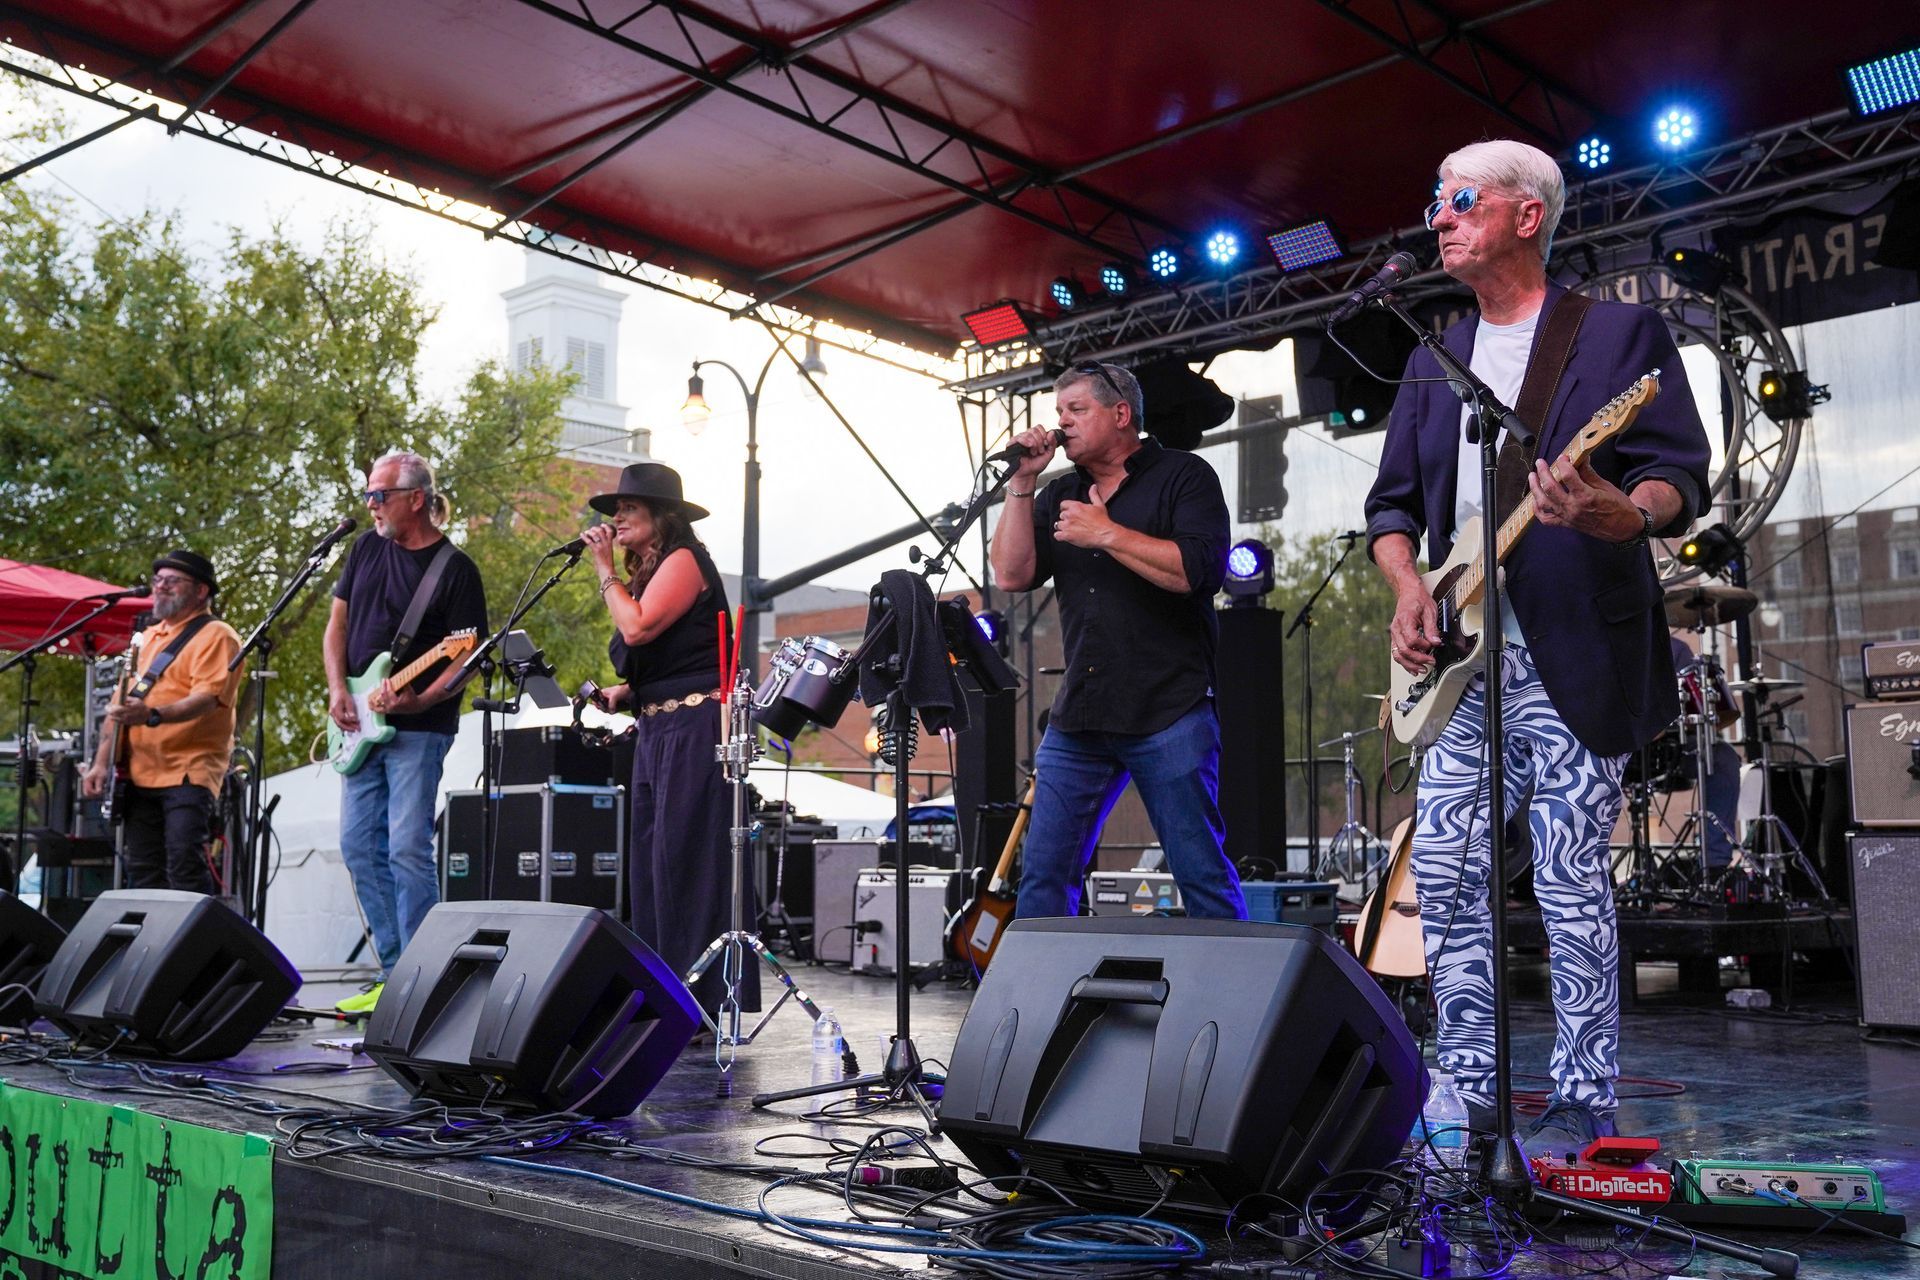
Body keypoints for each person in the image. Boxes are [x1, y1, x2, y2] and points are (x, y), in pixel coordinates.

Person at [1364, 139, 1711, 1147]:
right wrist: (1408, 589)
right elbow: (1391, 508)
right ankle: (1467, 1084)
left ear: (1526, 216)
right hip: (1461, 664)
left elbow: (1677, 474)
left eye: (1461, 199)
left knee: (1567, 872)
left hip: (1574, 650)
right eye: (1437, 198)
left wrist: (1625, 514)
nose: (1439, 216)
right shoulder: (1433, 359)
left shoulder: (1617, 334)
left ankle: (1583, 1093)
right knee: (1446, 870)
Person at [989, 361, 1246, 923]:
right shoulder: (1061, 492)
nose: (1063, 423)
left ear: (1121, 414)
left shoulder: (1184, 475)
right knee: (1044, 874)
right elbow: (1010, 574)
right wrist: (1022, 484)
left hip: (1168, 709)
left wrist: (1105, 533)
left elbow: (1197, 572)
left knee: (1200, 873)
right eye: (1059, 411)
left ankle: (1234, 980)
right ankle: (1043, 983)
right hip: (1080, 715)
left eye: (1077, 409)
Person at [580, 462, 754, 1021]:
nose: (618, 518)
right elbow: (672, 657)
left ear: (662, 516)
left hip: (695, 729)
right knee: (654, 869)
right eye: (616, 510)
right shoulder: (653, 571)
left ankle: (699, 1000)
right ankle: (667, 997)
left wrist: (604, 570)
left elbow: (637, 628)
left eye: (629, 508)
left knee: (686, 862)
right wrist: (627, 693)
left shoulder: (683, 560)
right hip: (659, 728)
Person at [325, 451, 487, 1015]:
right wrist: (337, 690)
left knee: (407, 848)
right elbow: (337, 626)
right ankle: (393, 973)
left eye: (380, 495)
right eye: (369, 494)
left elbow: (465, 659)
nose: (371, 504)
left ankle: (422, 977)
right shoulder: (365, 548)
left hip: (420, 729)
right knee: (356, 846)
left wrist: (419, 697)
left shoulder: (455, 569)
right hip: (358, 721)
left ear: (416, 499)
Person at [82, 550, 241, 894]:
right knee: (143, 872)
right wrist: (100, 764)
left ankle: (199, 931)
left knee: (184, 864)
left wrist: (153, 715)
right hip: (139, 772)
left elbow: (207, 698)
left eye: (172, 581)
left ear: (201, 591)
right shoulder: (149, 636)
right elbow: (118, 708)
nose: (161, 586)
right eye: (158, 580)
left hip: (188, 771)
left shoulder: (218, 635)